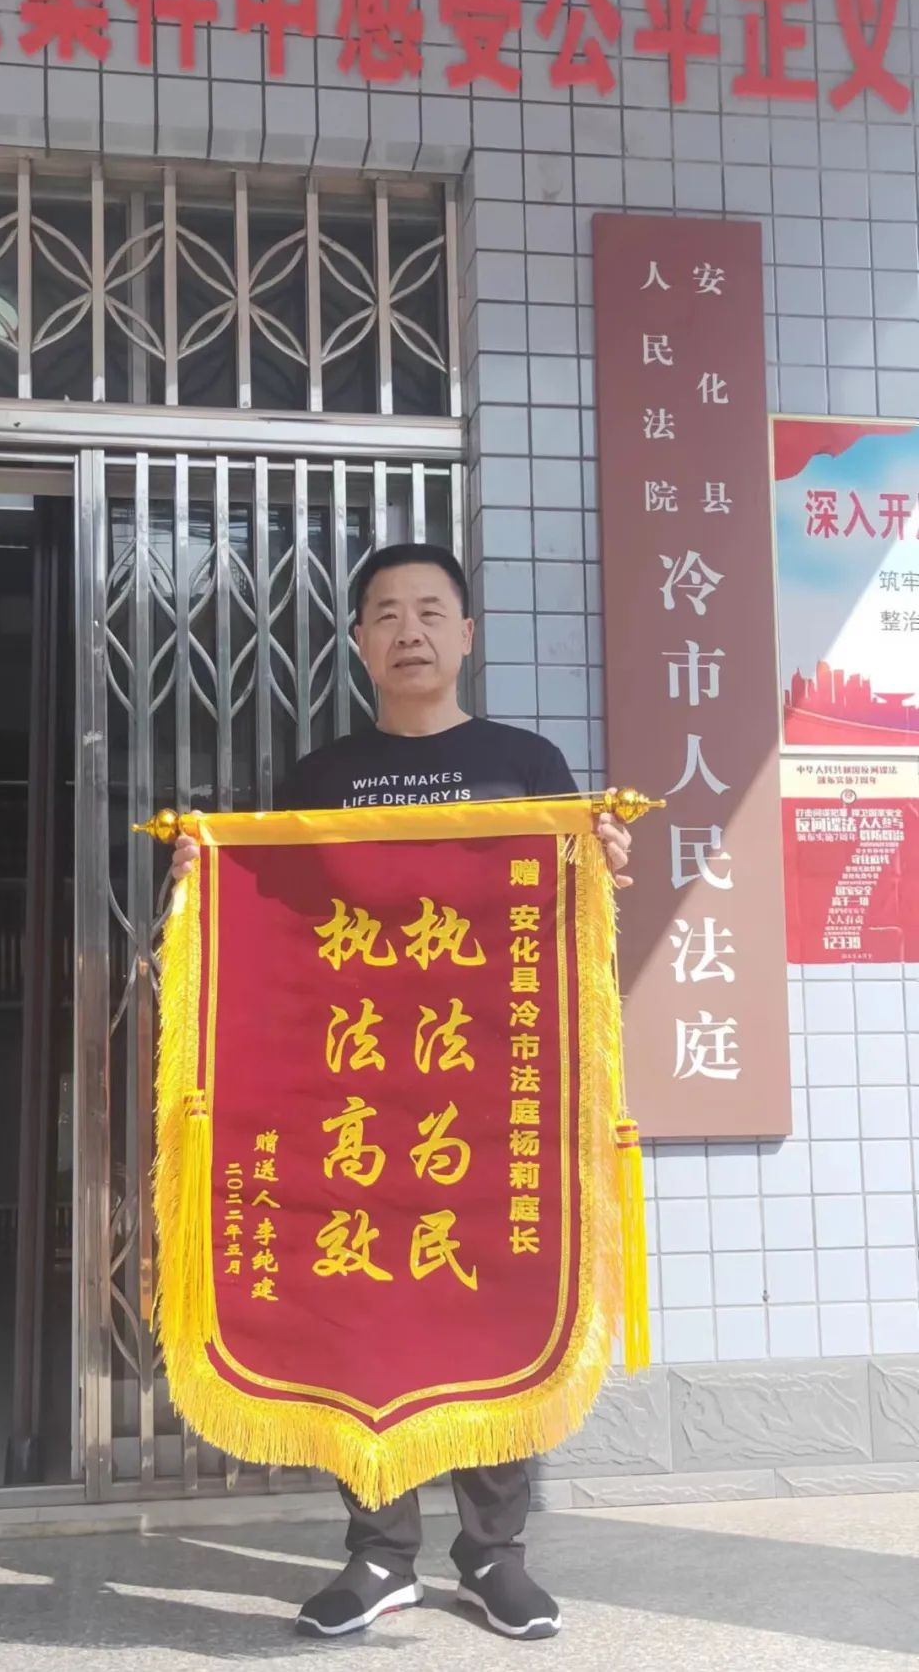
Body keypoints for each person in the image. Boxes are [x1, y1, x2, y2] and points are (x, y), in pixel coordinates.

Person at [170, 542, 632, 1643]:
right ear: (360, 642)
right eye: (385, 613)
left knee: (498, 1298)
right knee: (358, 1301)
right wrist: (209, 882)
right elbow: (284, 920)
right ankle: (379, 1556)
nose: (409, 630)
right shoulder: (323, 776)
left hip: (491, 1090)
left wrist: (601, 865)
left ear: (466, 635)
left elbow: (561, 908)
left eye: (431, 610)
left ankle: (494, 1555)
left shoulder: (525, 761)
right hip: (357, 1094)